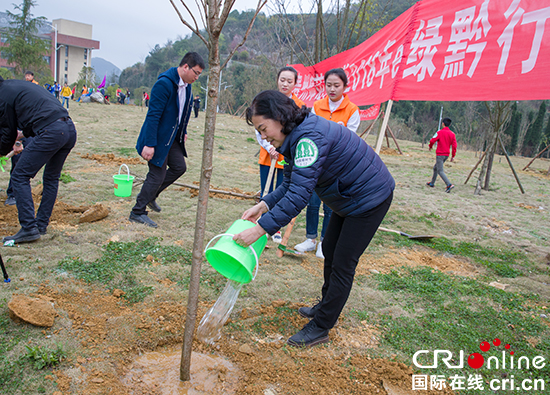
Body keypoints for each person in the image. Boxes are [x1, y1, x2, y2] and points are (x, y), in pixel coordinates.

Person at [233, 90, 394, 347]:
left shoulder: (308, 139)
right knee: (330, 249)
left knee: (343, 263)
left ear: (280, 117)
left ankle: (321, 326)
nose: (263, 137)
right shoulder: (295, 136)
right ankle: (325, 306)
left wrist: (260, 230)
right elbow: (290, 183)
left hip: (369, 198)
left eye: (264, 128)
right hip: (348, 196)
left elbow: (299, 196)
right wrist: (263, 205)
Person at [129, 52, 205, 228]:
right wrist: (149, 144)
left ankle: (151, 196)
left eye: (199, 74)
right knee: (157, 174)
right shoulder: (164, 84)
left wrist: (183, 131)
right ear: (185, 66)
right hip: (156, 139)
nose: (197, 77)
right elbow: (153, 116)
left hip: (172, 139)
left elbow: (184, 113)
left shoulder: (187, 86)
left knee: (179, 167)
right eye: (196, 72)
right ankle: (137, 211)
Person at [0, 76, 77, 243]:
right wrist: (22, 136)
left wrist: (2, 151)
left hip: (52, 132)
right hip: (69, 129)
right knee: (51, 178)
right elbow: (35, 113)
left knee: (19, 176)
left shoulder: (2, 95)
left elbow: (7, 132)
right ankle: (40, 225)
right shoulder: (15, 85)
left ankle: (28, 227)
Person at [295, 68, 360, 259]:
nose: (332, 89)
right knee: (312, 202)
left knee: (330, 205)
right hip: (317, 162)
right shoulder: (317, 106)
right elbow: (311, 131)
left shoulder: (352, 110)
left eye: (336, 85)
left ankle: (325, 242)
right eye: (328, 85)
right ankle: (310, 238)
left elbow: (351, 139)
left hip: (337, 165)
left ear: (345, 86)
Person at [256, 66, 306, 242]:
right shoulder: (268, 101)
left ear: (295, 84)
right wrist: (269, 147)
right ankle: (261, 222)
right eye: (282, 80)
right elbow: (259, 128)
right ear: (277, 80)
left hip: (287, 157)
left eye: (289, 81)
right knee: (266, 189)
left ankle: (275, 227)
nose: (285, 84)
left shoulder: (299, 106)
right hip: (269, 154)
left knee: (282, 188)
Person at [427, 117, 457, 193]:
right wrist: (453, 156)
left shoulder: (439, 132)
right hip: (446, 155)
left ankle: (449, 184)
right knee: (435, 168)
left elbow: (432, 140)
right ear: (449, 125)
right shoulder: (452, 134)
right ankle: (432, 183)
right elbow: (454, 146)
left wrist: (430, 146)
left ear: (443, 123)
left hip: (440, 154)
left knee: (440, 171)